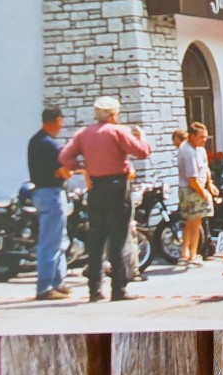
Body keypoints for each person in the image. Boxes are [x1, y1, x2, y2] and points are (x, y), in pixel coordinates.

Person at [59, 96, 152, 302]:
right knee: (117, 238)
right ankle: (118, 289)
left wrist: (84, 169)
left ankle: (94, 290)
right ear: (112, 114)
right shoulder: (117, 131)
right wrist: (141, 137)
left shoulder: (83, 133)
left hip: (96, 187)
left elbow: (65, 157)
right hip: (117, 186)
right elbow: (142, 151)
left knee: (97, 238)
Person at [27, 107, 73, 301]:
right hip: (52, 194)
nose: (62, 126)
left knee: (58, 239)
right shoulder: (51, 145)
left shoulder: (35, 141)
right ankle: (45, 287)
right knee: (51, 242)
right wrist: (65, 172)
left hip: (39, 192)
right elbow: (66, 171)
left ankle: (58, 282)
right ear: (56, 121)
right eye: (61, 121)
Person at [177, 122, 218, 267]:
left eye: (206, 137)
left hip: (197, 188)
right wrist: (203, 193)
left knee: (191, 221)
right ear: (192, 136)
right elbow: (192, 179)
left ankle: (185, 253)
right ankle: (192, 256)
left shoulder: (199, 149)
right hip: (192, 190)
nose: (204, 139)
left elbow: (205, 168)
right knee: (195, 223)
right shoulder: (188, 151)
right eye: (201, 137)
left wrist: (210, 183)